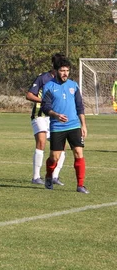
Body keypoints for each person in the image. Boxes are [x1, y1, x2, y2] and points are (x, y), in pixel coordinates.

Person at [41, 57, 89, 194]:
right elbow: (46, 108)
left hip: (74, 126)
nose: (65, 73)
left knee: (79, 153)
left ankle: (80, 185)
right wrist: (56, 115)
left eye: (67, 70)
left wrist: (83, 125)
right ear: (56, 71)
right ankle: (49, 176)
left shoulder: (73, 85)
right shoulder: (49, 86)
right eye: (62, 70)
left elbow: (80, 107)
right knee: (54, 157)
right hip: (57, 127)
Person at [25, 53, 66, 186]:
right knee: (41, 142)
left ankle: (55, 176)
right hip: (40, 115)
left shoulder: (63, 81)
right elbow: (29, 95)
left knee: (61, 147)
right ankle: (36, 177)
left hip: (55, 117)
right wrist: (44, 101)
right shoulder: (43, 78)